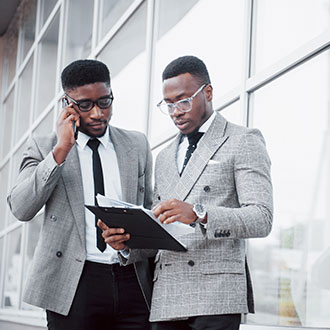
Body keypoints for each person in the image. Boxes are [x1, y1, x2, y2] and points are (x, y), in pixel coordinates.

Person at [99, 55, 273, 330]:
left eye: (183, 100)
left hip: (216, 294)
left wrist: (198, 215)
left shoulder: (243, 140)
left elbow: (261, 218)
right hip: (167, 295)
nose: (175, 112)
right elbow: (161, 231)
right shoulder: (165, 156)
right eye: (168, 104)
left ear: (208, 92)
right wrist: (126, 245)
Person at [7, 59, 154, 330]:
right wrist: (61, 149)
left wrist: (132, 243)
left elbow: (149, 212)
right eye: (85, 105)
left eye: (105, 102)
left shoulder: (136, 145)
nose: (98, 113)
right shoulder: (44, 147)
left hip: (131, 278)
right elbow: (20, 207)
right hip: (73, 283)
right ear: (67, 103)